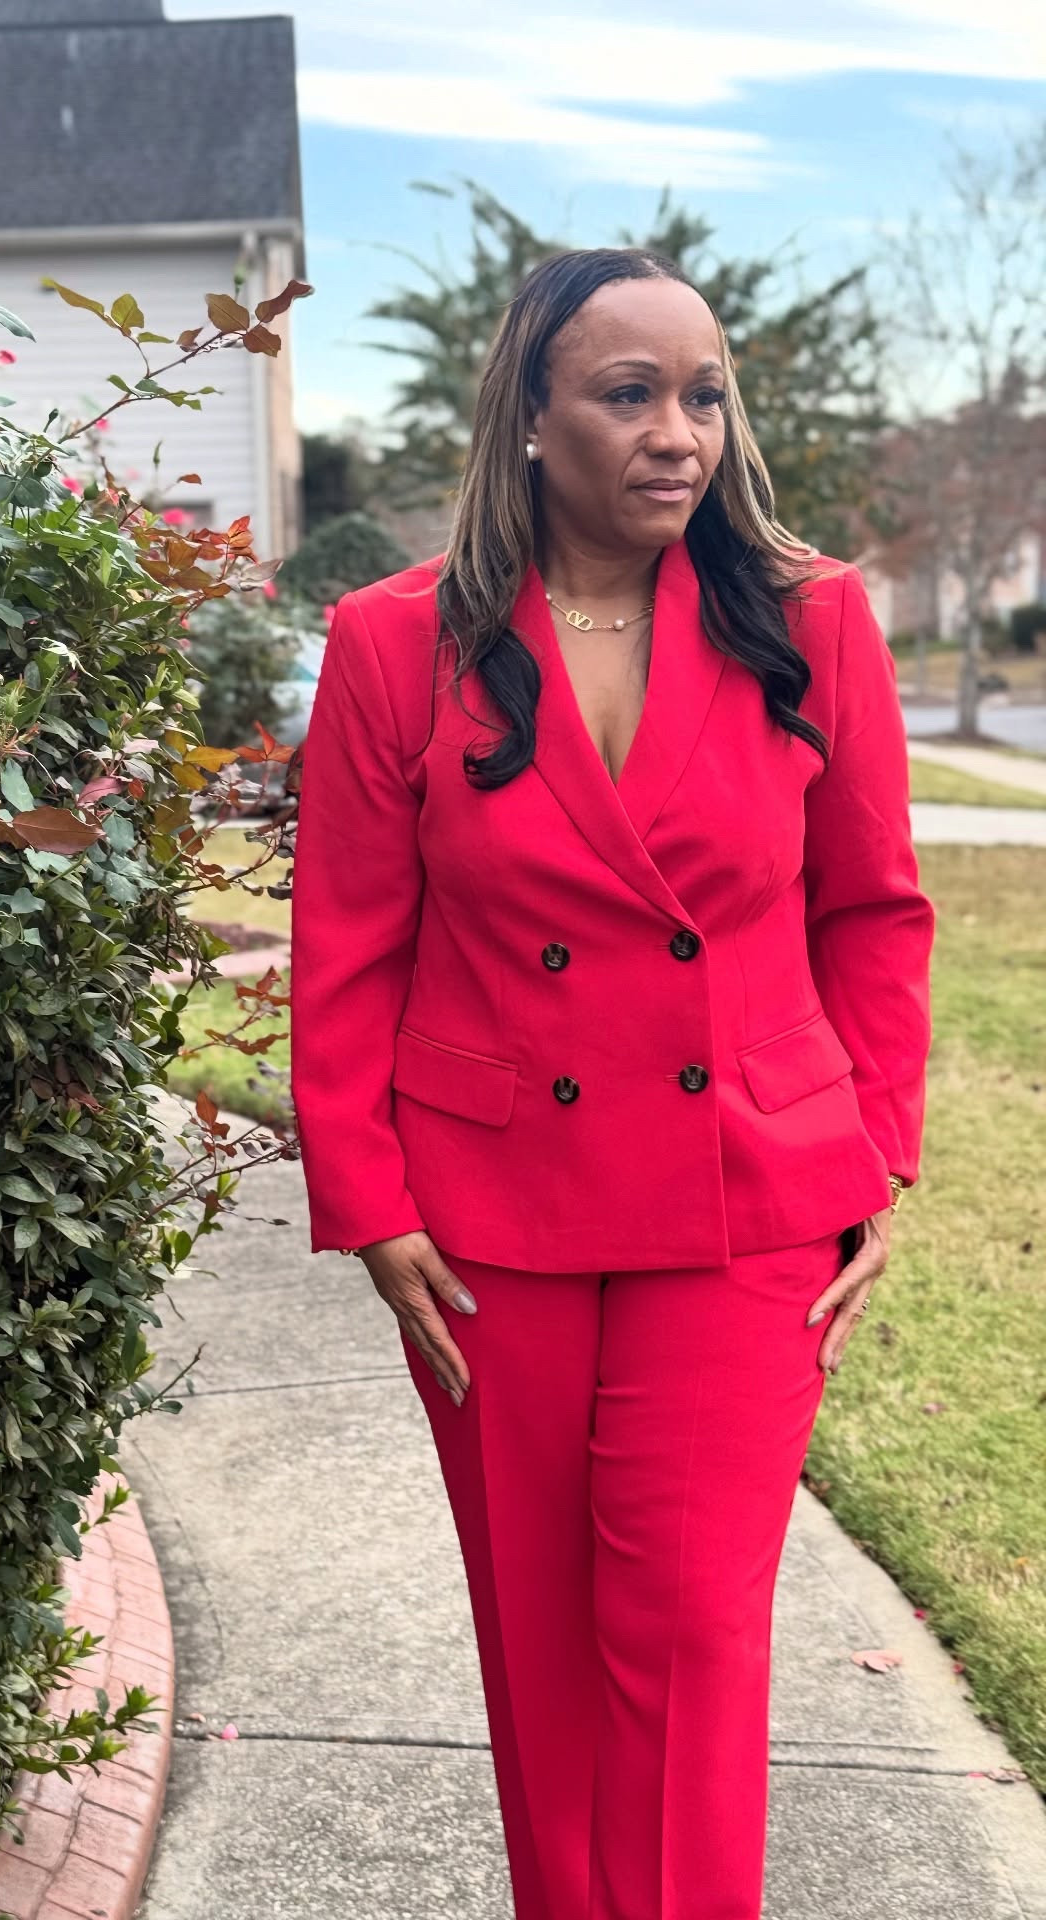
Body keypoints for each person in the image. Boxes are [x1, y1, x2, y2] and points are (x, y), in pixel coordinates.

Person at [287, 247, 935, 1920]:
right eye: (628, 395)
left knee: (689, 1633)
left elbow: (872, 908)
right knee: (544, 1641)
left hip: (747, 1202)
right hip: (489, 1220)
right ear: (530, 417)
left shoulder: (814, 621)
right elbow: (351, 947)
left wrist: (876, 1151)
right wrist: (367, 1204)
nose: (679, 435)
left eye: (704, 395)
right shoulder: (393, 642)